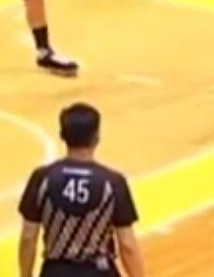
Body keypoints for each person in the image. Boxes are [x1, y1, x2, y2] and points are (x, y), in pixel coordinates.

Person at [18, 103, 144, 277]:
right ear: (97, 137)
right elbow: (127, 245)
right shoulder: (113, 182)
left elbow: (28, 238)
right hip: (98, 272)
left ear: (62, 135)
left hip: (55, 272)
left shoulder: (41, 178)